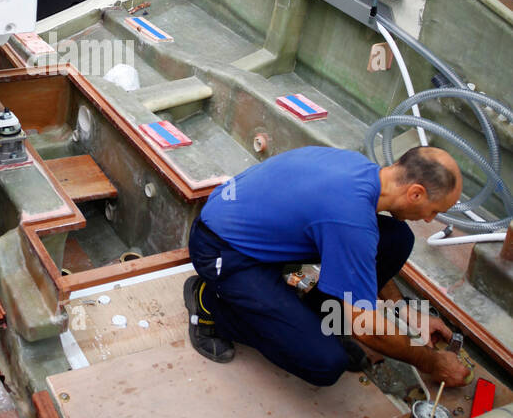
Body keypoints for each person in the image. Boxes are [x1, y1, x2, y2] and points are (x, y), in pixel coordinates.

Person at [184, 145, 472, 388]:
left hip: (263, 237)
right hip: (223, 250)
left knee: (395, 238)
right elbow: (368, 330)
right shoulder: (350, 218)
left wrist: (401, 308)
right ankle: (210, 305)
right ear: (416, 193)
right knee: (324, 363)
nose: (428, 220)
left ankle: (320, 322)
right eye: (434, 211)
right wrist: (430, 361)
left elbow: (360, 254)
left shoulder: (361, 170)